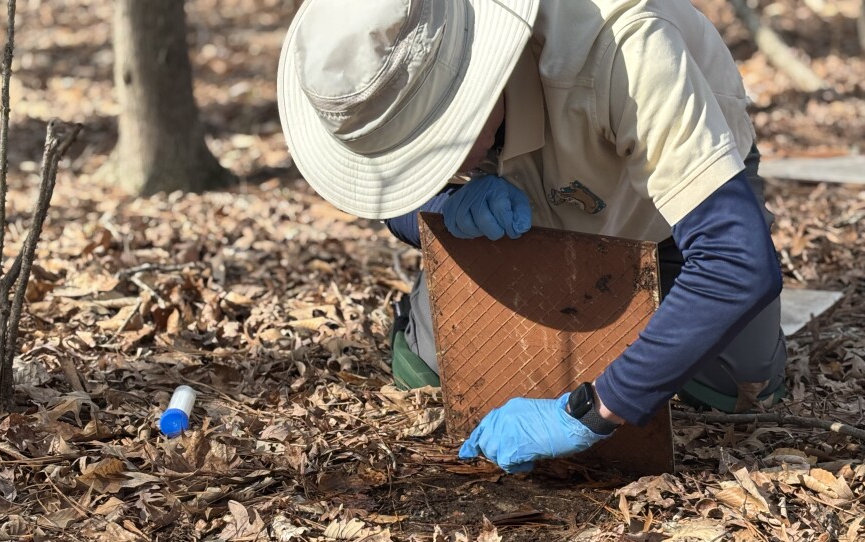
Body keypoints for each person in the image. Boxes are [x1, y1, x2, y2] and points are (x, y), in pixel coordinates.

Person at [277, 0, 787, 473]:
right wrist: (445, 206)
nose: (416, 168)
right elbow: (389, 202)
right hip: (529, 199)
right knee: (431, 366)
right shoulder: (382, 55)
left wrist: (590, 413)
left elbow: (734, 261)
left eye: (423, 148)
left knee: (736, 387)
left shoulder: (628, 47)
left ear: (474, 89)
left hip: (664, 213)